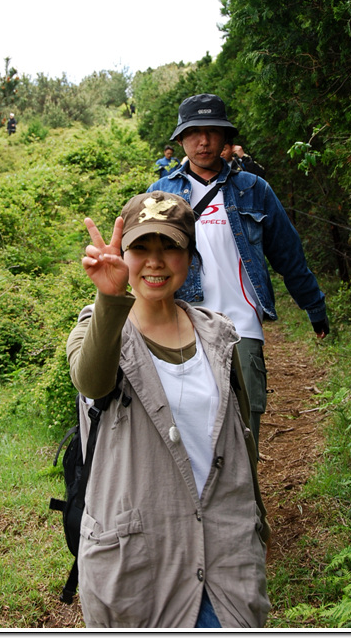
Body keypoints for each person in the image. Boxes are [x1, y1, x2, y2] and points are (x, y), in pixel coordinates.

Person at [66, 190, 271, 629]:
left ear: (190, 257)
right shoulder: (97, 326)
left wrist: (255, 524)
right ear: (123, 255)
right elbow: (92, 380)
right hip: (139, 567)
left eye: (170, 247)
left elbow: (238, 441)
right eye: (140, 248)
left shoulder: (218, 334)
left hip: (226, 559)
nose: (155, 262)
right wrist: (109, 299)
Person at [148, 94, 329, 452]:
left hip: (241, 328)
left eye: (212, 132)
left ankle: (246, 508)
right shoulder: (160, 194)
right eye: (194, 133)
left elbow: (288, 254)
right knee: (189, 433)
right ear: (181, 139)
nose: (204, 141)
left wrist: (314, 306)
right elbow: (146, 266)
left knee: (245, 433)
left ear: (225, 138)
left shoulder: (254, 190)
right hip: (182, 326)